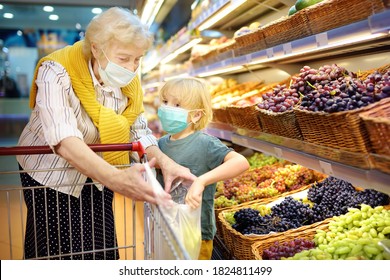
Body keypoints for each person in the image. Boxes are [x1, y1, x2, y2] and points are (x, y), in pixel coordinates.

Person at [16, 7, 195, 260]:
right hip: (52, 173)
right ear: (97, 48)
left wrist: (166, 162)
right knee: (59, 249)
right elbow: (64, 140)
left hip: (101, 171)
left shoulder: (128, 81)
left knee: (100, 243)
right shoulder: (56, 71)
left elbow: (138, 130)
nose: (132, 68)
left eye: (138, 59)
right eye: (124, 59)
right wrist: (117, 179)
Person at [156, 77, 250, 260]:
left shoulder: (205, 143)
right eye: (165, 102)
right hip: (166, 228)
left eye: (176, 105)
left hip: (196, 232)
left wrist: (202, 180)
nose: (167, 108)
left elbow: (241, 162)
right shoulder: (159, 145)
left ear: (196, 115)